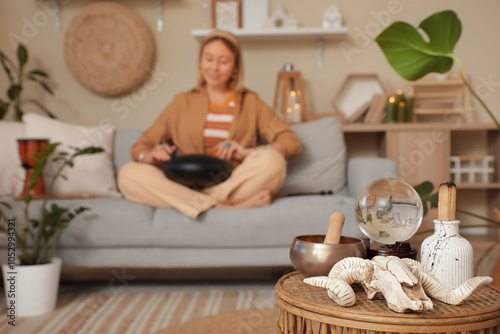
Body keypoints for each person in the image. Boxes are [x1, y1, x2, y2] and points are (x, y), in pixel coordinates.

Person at [117, 30, 302, 219]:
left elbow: (289, 140)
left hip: (228, 184)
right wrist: (150, 155)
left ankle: (198, 203)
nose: (214, 68)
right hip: (184, 184)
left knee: (273, 161)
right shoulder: (181, 102)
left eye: (223, 62)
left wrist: (249, 152)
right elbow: (140, 147)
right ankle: (224, 207)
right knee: (128, 174)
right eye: (209, 59)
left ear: (235, 67)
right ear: (200, 62)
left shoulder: (250, 102)